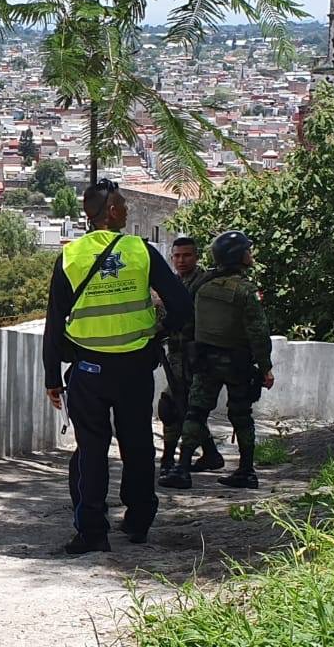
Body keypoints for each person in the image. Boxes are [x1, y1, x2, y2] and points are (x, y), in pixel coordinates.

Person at [43, 179, 193, 554]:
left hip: (88, 369)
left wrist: (51, 377)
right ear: (110, 210)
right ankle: (139, 521)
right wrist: (157, 333)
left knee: (91, 449)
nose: (127, 210)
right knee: (138, 444)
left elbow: (54, 322)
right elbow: (182, 305)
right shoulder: (140, 251)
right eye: (123, 204)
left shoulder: (71, 255)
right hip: (135, 367)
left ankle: (92, 530)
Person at [180, 230, 275, 490]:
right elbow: (258, 332)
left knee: (196, 412)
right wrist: (265, 367)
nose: (250, 254)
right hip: (237, 364)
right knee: (241, 416)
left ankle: (181, 468)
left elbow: (190, 323)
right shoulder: (245, 291)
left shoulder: (203, 286)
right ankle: (245, 470)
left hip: (205, 361)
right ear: (238, 256)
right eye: (248, 250)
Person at [156, 237, 224, 490]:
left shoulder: (204, 283)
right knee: (180, 405)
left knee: (179, 406)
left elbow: (191, 314)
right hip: (176, 354)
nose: (181, 260)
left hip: (196, 356)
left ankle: (171, 460)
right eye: (177, 256)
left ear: (196, 257)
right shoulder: (174, 283)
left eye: (186, 256)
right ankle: (209, 453)